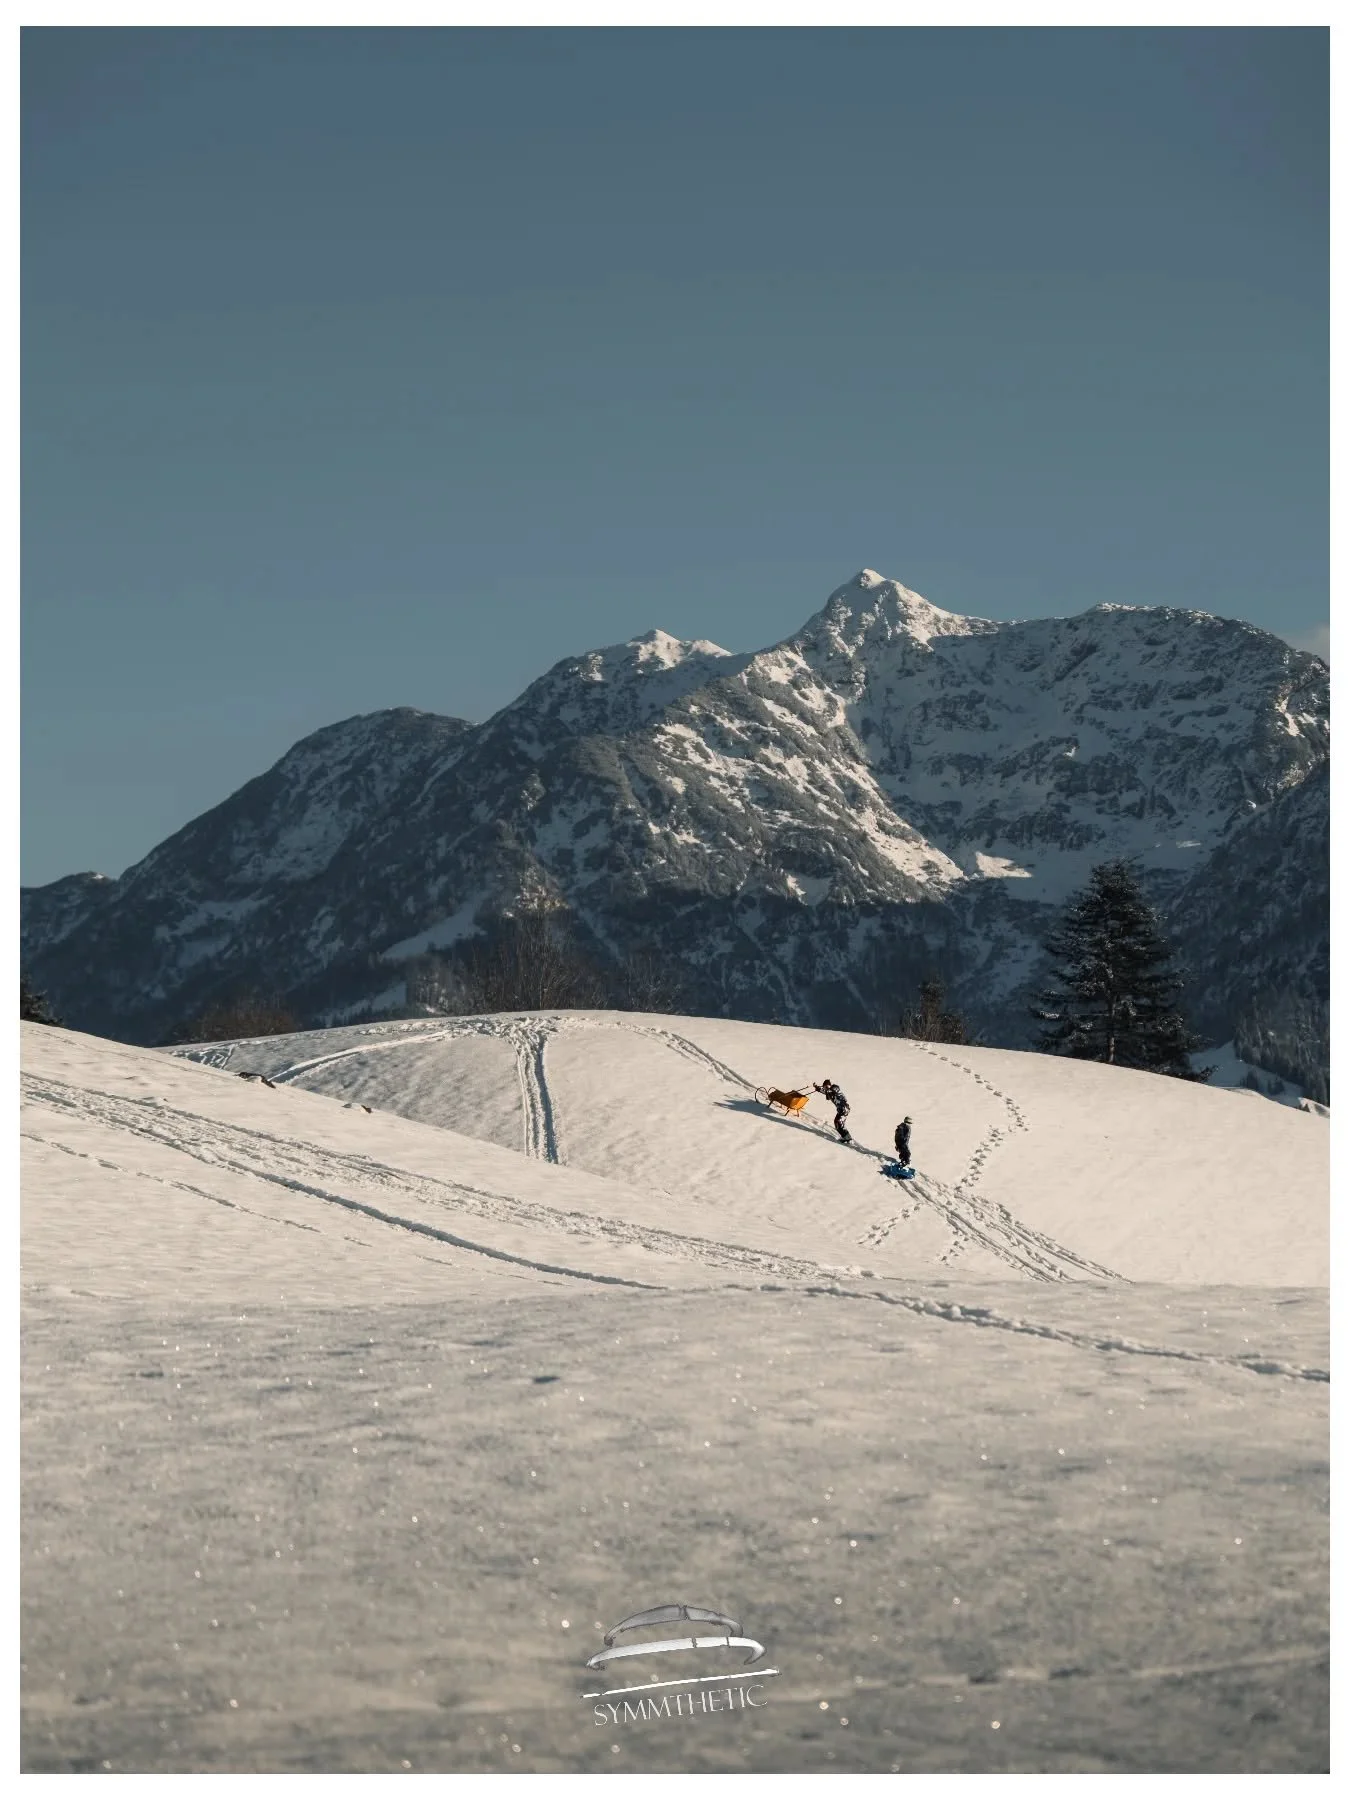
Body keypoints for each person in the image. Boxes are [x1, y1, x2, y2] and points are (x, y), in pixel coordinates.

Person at [814, 1078, 852, 1144]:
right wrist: (817, 1088)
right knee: (837, 1123)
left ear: (829, 1085)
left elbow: (836, 1089)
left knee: (839, 1122)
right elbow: (823, 1091)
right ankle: (846, 1137)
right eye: (824, 1087)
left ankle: (847, 1138)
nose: (825, 1088)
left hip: (844, 1108)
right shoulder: (829, 1093)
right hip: (840, 1110)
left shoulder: (834, 1088)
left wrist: (829, 1089)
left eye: (826, 1086)